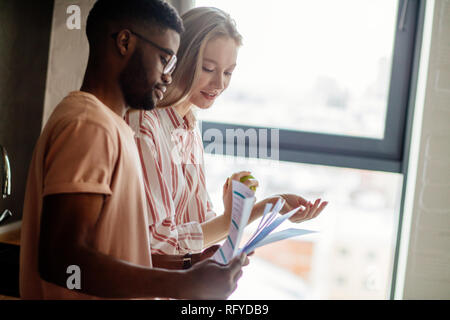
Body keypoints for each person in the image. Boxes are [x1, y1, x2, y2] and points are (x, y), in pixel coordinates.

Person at [19, 0, 247, 300]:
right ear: (124, 42)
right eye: (165, 58)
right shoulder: (89, 125)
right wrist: (183, 284)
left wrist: (188, 265)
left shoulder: (115, 127)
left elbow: (122, 253)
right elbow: (63, 261)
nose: (169, 76)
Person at [125, 7, 328, 263]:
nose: (219, 84)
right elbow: (158, 244)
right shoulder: (144, 126)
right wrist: (229, 220)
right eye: (208, 68)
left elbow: (196, 226)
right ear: (180, 59)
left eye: (228, 72)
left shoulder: (187, 125)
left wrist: (267, 206)